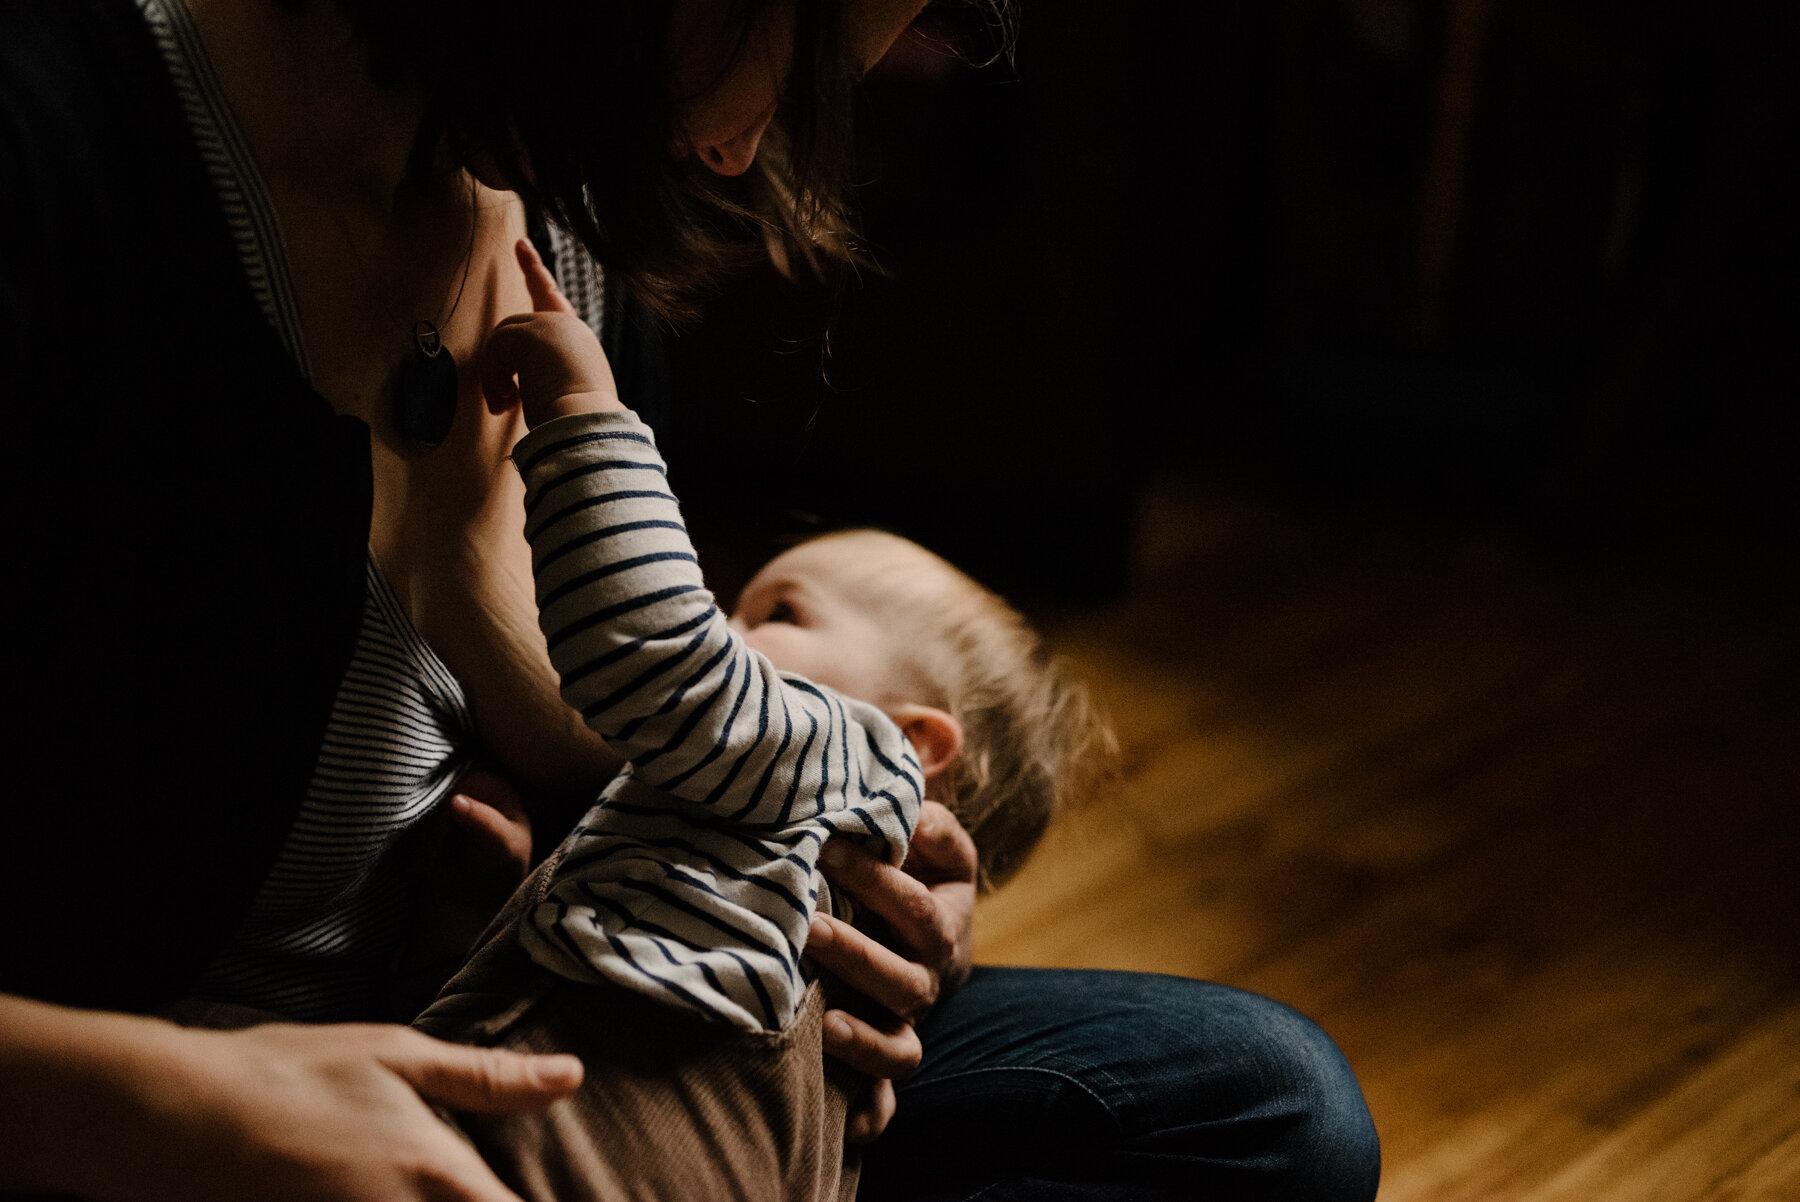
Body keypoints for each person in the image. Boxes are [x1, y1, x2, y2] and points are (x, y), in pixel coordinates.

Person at [0, 1, 1381, 1199]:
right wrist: (179, 1112)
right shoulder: (55, 150)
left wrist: (855, 893)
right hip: (131, 1119)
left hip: (517, 1057)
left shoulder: (564, 220)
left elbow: (646, 746)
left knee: (1265, 1108)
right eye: (802, 44)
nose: (740, 149)